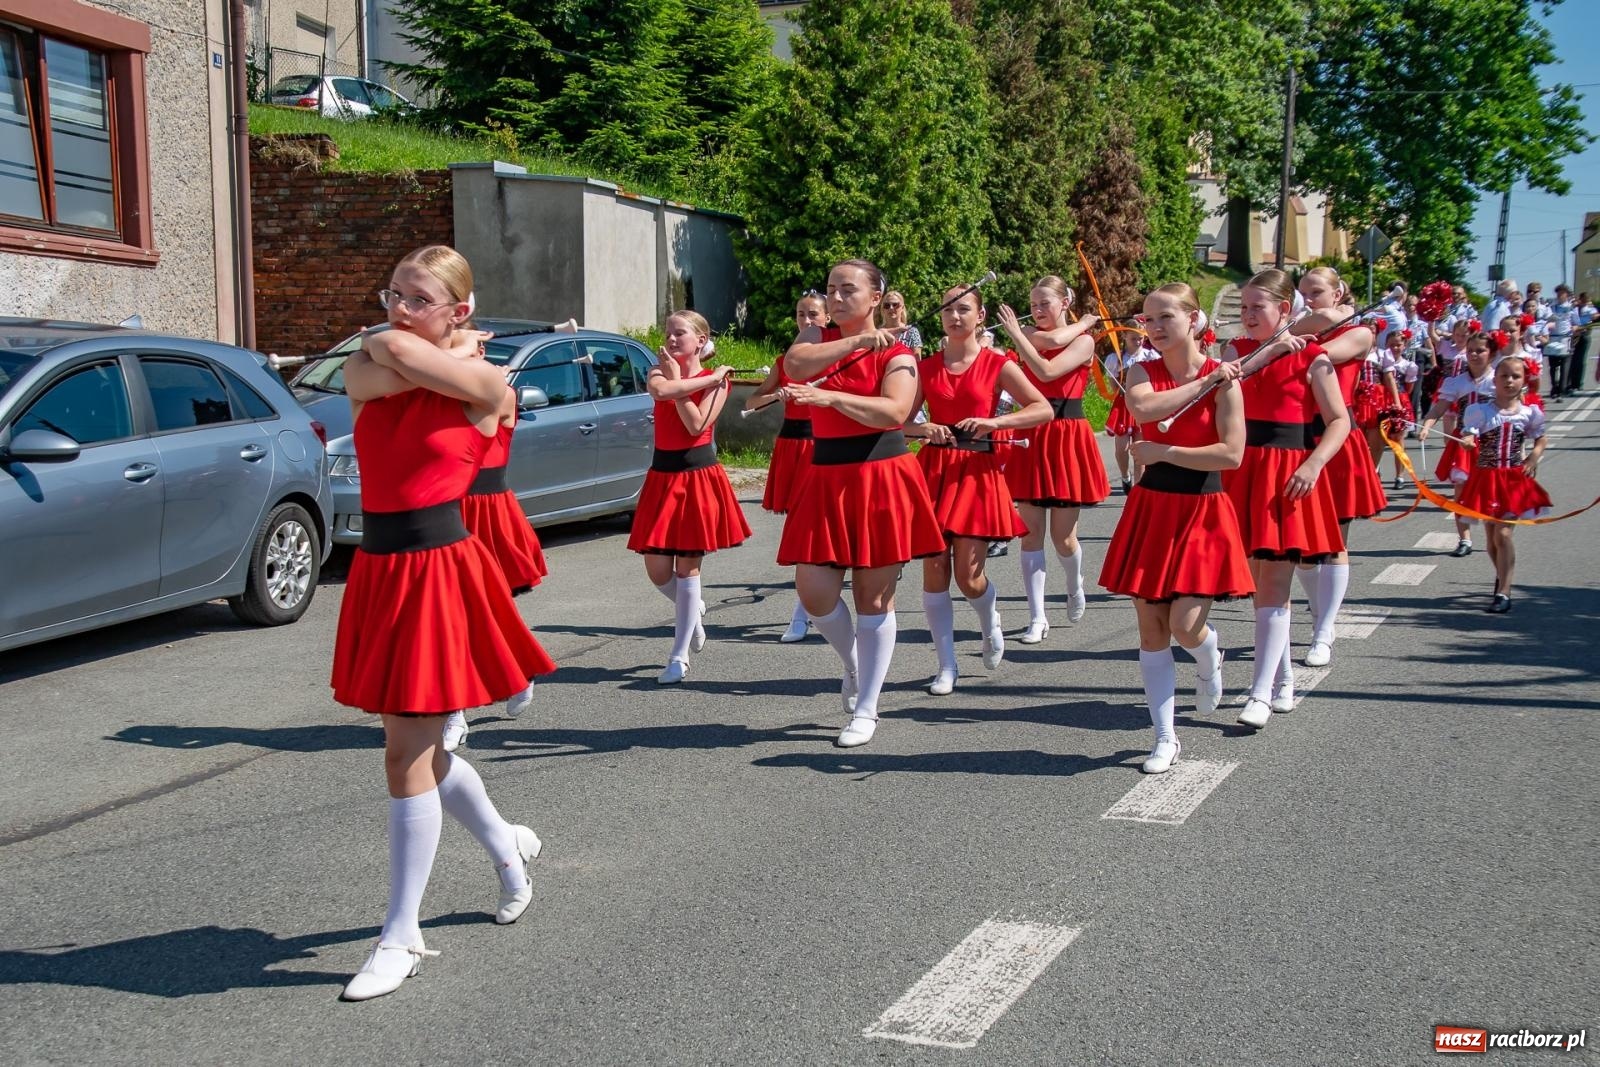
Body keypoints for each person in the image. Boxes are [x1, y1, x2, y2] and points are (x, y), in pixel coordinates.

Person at [333, 244, 557, 1001]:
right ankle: (505, 846)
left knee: (407, 756)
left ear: (461, 309)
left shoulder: (488, 384)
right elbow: (382, 354)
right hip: (381, 568)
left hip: (437, 570)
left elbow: (397, 355)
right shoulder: (372, 368)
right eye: (392, 293)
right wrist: (436, 344)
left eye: (418, 298)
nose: (398, 310)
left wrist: (444, 352)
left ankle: (400, 935)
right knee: (417, 751)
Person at [777, 258, 945, 748]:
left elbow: (895, 411)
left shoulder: (900, 352)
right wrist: (854, 342)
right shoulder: (817, 337)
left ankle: (868, 707)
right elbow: (794, 366)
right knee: (814, 592)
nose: (835, 297)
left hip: (880, 474)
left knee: (874, 597)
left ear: (875, 297)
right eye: (831, 288)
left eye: (848, 289)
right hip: (825, 475)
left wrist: (831, 399)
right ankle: (852, 663)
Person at [1098, 284, 1251, 774]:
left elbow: (1231, 454)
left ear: (1194, 319)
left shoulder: (1226, 379)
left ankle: (1209, 657)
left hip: (1203, 509)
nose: (1155, 327)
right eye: (1148, 319)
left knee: (1185, 625)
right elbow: (1143, 410)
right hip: (1153, 508)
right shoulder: (1143, 371)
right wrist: (1205, 384)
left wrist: (1165, 451)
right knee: (1152, 629)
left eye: (1166, 316)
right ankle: (1164, 737)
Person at [1219, 269, 1349, 730]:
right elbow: (1224, 382)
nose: (1248, 315)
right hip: (1241, 471)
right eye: (1244, 307)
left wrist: (1313, 465)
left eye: (1258, 307)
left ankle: (1259, 693)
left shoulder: (1313, 357)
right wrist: (1272, 349)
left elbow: (1339, 421)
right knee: (1258, 584)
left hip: (1286, 474)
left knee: (1274, 582)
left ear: (1284, 310)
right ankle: (1284, 678)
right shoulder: (1233, 351)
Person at [914, 285, 1050, 695]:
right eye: (947, 310)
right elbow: (897, 421)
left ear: (980, 316)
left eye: (963, 309)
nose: (954, 317)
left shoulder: (997, 363)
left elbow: (1041, 408)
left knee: (969, 576)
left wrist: (995, 423)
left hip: (976, 471)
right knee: (934, 568)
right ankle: (946, 665)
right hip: (934, 469)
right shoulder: (925, 367)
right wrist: (922, 428)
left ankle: (990, 621)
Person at [629, 312, 751, 684]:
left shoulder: (718, 382)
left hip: (697, 476)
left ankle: (678, 656)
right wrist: (689, 380)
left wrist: (703, 381)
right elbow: (660, 392)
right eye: (667, 332)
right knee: (657, 569)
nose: (670, 338)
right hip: (662, 476)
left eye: (679, 333)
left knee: (687, 568)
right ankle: (693, 609)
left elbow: (696, 424)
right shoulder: (659, 372)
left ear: (700, 340)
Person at [996, 277, 1107, 643]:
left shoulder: (1084, 341)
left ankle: (1074, 584)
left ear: (1064, 303)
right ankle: (1037, 616)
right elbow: (1048, 342)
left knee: (1063, 538)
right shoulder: (1030, 333)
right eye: (1033, 304)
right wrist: (1024, 334)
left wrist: (1083, 325)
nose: (1037, 310)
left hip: (1066, 435)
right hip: (1032, 432)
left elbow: (1048, 370)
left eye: (1045, 303)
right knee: (1030, 535)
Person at [1289, 267, 1382, 669]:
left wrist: (1303, 326)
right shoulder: (1298, 328)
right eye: (1302, 293)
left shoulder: (1359, 332)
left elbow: (1320, 354)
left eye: (1316, 292)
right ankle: (1319, 611)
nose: (1307, 299)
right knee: (1302, 548)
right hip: (1295, 439)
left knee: (1333, 542)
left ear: (1338, 293)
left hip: (1336, 438)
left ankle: (1324, 631)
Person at [747, 294, 829, 642]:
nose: (806, 321)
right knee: (800, 529)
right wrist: (775, 395)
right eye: (800, 314)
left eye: (813, 314)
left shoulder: (837, 358)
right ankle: (806, 609)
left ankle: (808, 609)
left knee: (816, 530)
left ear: (827, 318)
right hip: (792, 447)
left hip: (824, 446)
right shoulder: (785, 362)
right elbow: (752, 401)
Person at [1458, 355, 1549, 613]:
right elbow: (1469, 435)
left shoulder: (1529, 412)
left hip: (1512, 479)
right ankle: (1501, 576)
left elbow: (1541, 438)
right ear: (1495, 380)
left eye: (1515, 376)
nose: (1509, 381)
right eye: (1504, 376)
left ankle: (1504, 593)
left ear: (1524, 380)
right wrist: (1468, 441)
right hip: (1486, 478)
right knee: (1491, 538)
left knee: (1504, 533)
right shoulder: (1481, 411)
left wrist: (1533, 457)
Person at [1418, 332, 1498, 558]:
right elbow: (1438, 409)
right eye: (1471, 350)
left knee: (1491, 492)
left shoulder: (1498, 379)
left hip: (1490, 442)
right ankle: (1464, 539)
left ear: (1491, 353)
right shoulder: (1457, 382)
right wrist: (1427, 426)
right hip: (1463, 442)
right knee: (1461, 491)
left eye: (1480, 350)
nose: (1474, 354)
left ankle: (1495, 536)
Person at [1544, 285, 1576, 399]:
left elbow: (1577, 323)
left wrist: (1575, 327)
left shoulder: (1572, 308)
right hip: (1553, 337)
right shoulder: (1551, 307)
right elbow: (1546, 319)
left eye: (1562, 293)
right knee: (1552, 365)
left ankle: (1562, 389)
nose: (1559, 295)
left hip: (1565, 337)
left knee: (1564, 364)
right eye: (1558, 293)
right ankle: (1554, 387)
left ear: (1567, 294)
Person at [881, 290, 924, 356]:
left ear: (902, 308)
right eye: (887, 305)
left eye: (895, 305)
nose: (891, 308)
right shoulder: (878, 332)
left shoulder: (911, 332)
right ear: (883, 309)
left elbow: (917, 360)